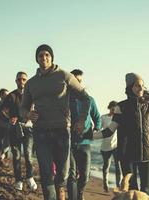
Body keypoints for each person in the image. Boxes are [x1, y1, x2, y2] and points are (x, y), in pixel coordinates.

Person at [20, 45, 90, 200]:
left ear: (51, 57)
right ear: (36, 59)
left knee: (63, 174)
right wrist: (28, 114)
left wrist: (81, 120)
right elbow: (22, 108)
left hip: (62, 130)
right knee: (46, 173)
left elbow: (85, 98)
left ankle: (60, 186)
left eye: (46, 54)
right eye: (40, 55)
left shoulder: (64, 76)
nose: (43, 58)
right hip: (41, 131)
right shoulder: (31, 83)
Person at [93, 73, 149, 195]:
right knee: (131, 192)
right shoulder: (121, 107)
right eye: (137, 86)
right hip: (127, 156)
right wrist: (88, 136)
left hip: (147, 155)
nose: (141, 88)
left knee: (146, 192)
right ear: (130, 87)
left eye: (142, 86)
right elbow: (109, 131)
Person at [0, 72, 37, 191]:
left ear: (27, 81)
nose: (21, 81)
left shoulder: (32, 95)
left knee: (28, 154)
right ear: (16, 81)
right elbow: (2, 111)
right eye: (19, 79)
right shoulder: (11, 96)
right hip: (14, 130)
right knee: (16, 156)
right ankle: (18, 180)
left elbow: (38, 109)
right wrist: (9, 118)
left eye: (24, 79)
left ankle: (30, 178)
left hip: (28, 129)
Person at [67, 69, 101, 200]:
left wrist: (96, 129)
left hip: (85, 143)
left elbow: (97, 117)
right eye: (75, 81)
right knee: (71, 175)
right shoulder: (65, 100)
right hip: (69, 142)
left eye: (80, 81)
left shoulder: (89, 100)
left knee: (85, 176)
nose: (78, 84)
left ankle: (80, 193)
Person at [100, 100, 122, 192]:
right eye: (113, 108)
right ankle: (105, 183)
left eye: (116, 108)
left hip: (116, 146)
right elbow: (99, 128)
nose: (114, 110)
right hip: (105, 146)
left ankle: (118, 186)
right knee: (106, 166)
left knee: (118, 166)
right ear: (110, 107)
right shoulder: (103, 117)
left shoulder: (118, 118)